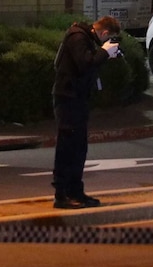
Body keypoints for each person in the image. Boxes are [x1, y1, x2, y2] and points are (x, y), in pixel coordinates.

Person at [51, 15, 122, 209]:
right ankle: (61, 194)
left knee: (79, 148)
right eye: (108, 39)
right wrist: (104, 52)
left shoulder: (86, 39)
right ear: (105, 32)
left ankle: (76, 191)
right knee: (67, 147)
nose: (106, 43)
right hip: (67, 98)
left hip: (78, 98)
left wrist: (106, 54)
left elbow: (89, 65)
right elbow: (85, 63)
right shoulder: (77, 37)